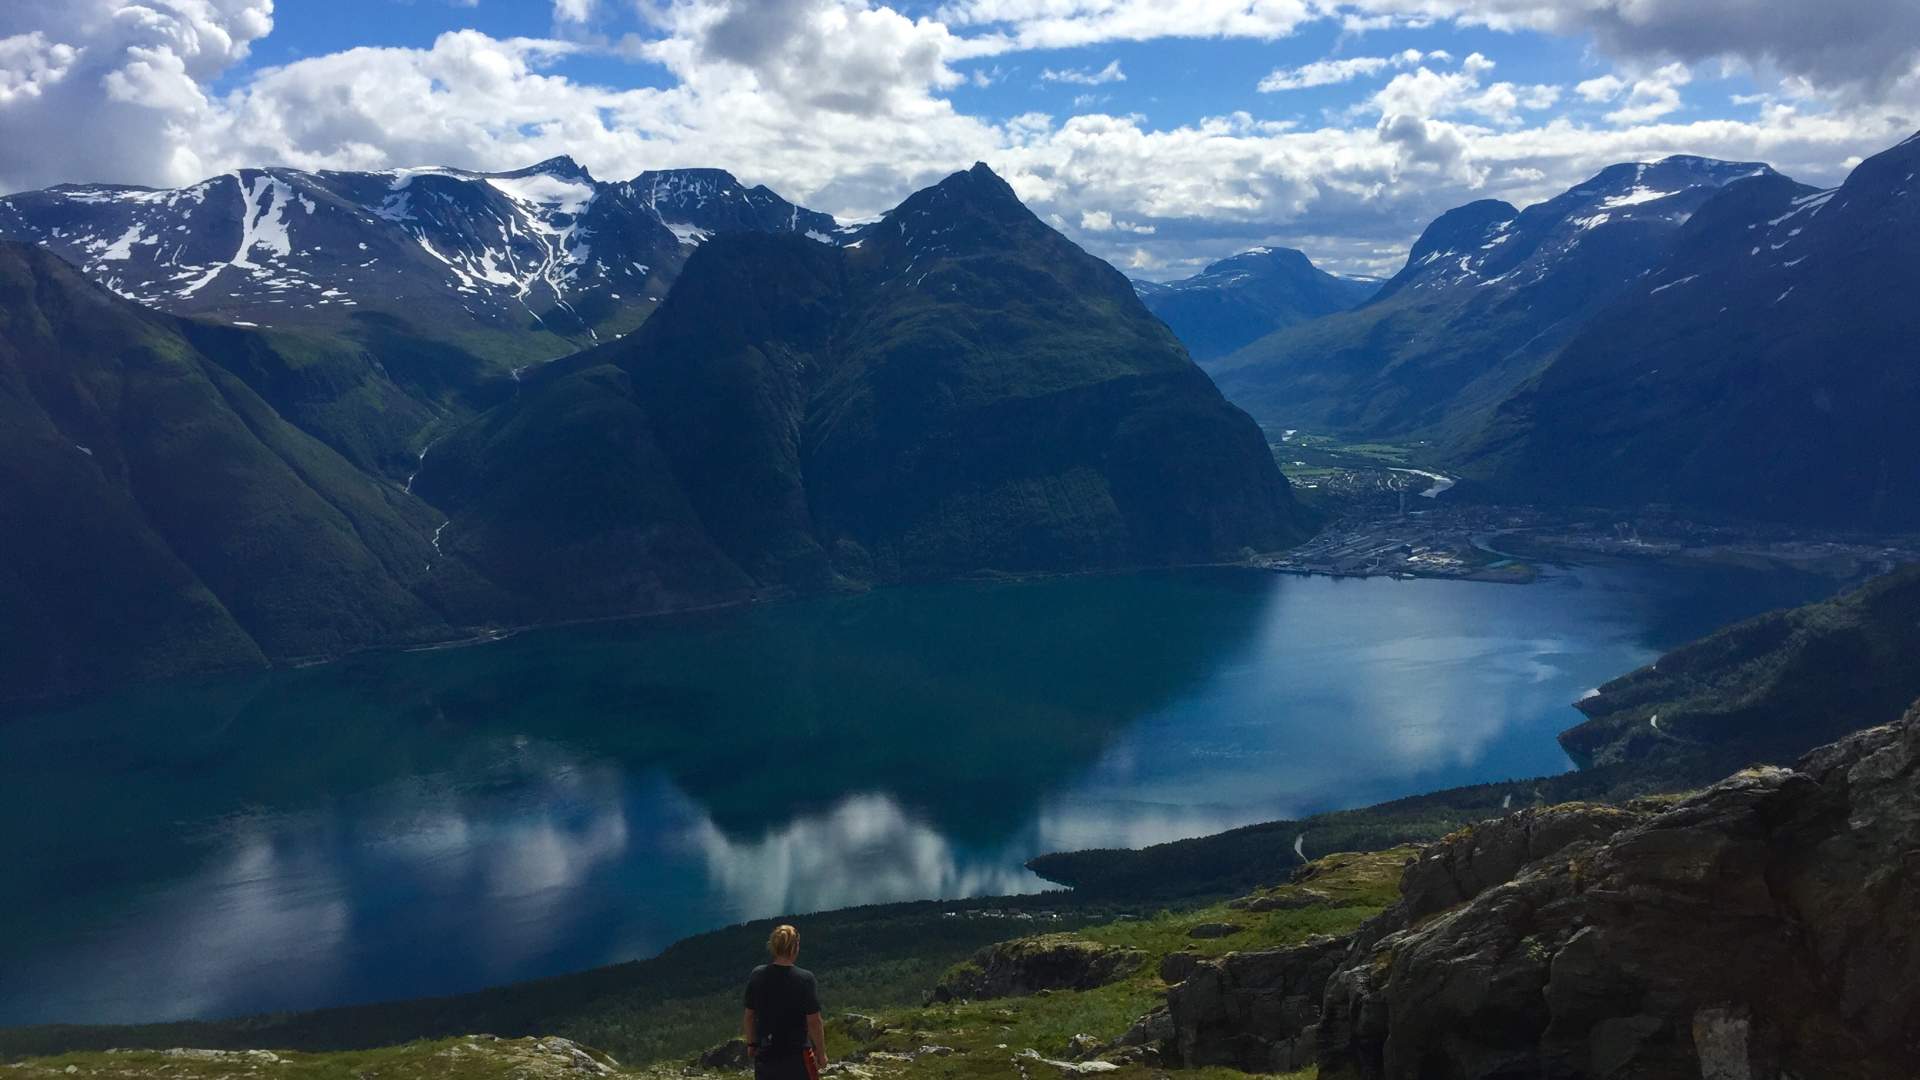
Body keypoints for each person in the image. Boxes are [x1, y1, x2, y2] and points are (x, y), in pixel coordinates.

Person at [742, 924, 827, 1080]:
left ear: (773, 946)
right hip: (797, 1055)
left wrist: (752, 1044)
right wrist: (821, 1053)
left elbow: (749, 1016)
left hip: (766, 1053)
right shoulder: (805, 979)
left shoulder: (757, 975)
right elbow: (814, 1021)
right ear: (795, 947)